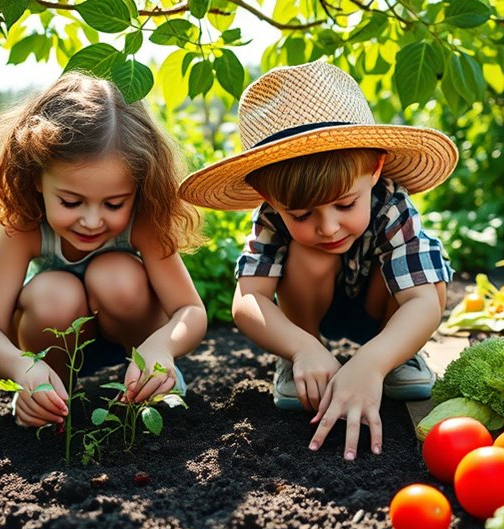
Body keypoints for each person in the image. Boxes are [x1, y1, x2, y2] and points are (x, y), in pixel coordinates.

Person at [179, 61, 458, 460]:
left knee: (426, 275)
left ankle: (399, 353)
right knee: (308, 255)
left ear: (375, 168)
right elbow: (247, 300)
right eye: (302, 214)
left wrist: (372, 362)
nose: (328, 227)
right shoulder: (273, 219)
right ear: (270, 198)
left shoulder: (393, 205)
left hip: (381, 310)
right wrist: (301, 347)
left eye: (345, 204)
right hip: (311, 313)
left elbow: (423, 302)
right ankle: (302, 357)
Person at [0, 72, 207, 428]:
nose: (92, 221)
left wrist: (161, 348)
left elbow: (189, 310)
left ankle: (151, 383)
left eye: (113, 204)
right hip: (56, 344)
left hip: (135, 340)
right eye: (71, 201)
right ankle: (50, 397)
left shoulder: (141, 222)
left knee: (115, 273)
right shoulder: (25, 227)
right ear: (37, 178)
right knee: (54, 293)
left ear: (138, 187)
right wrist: (23, 367)